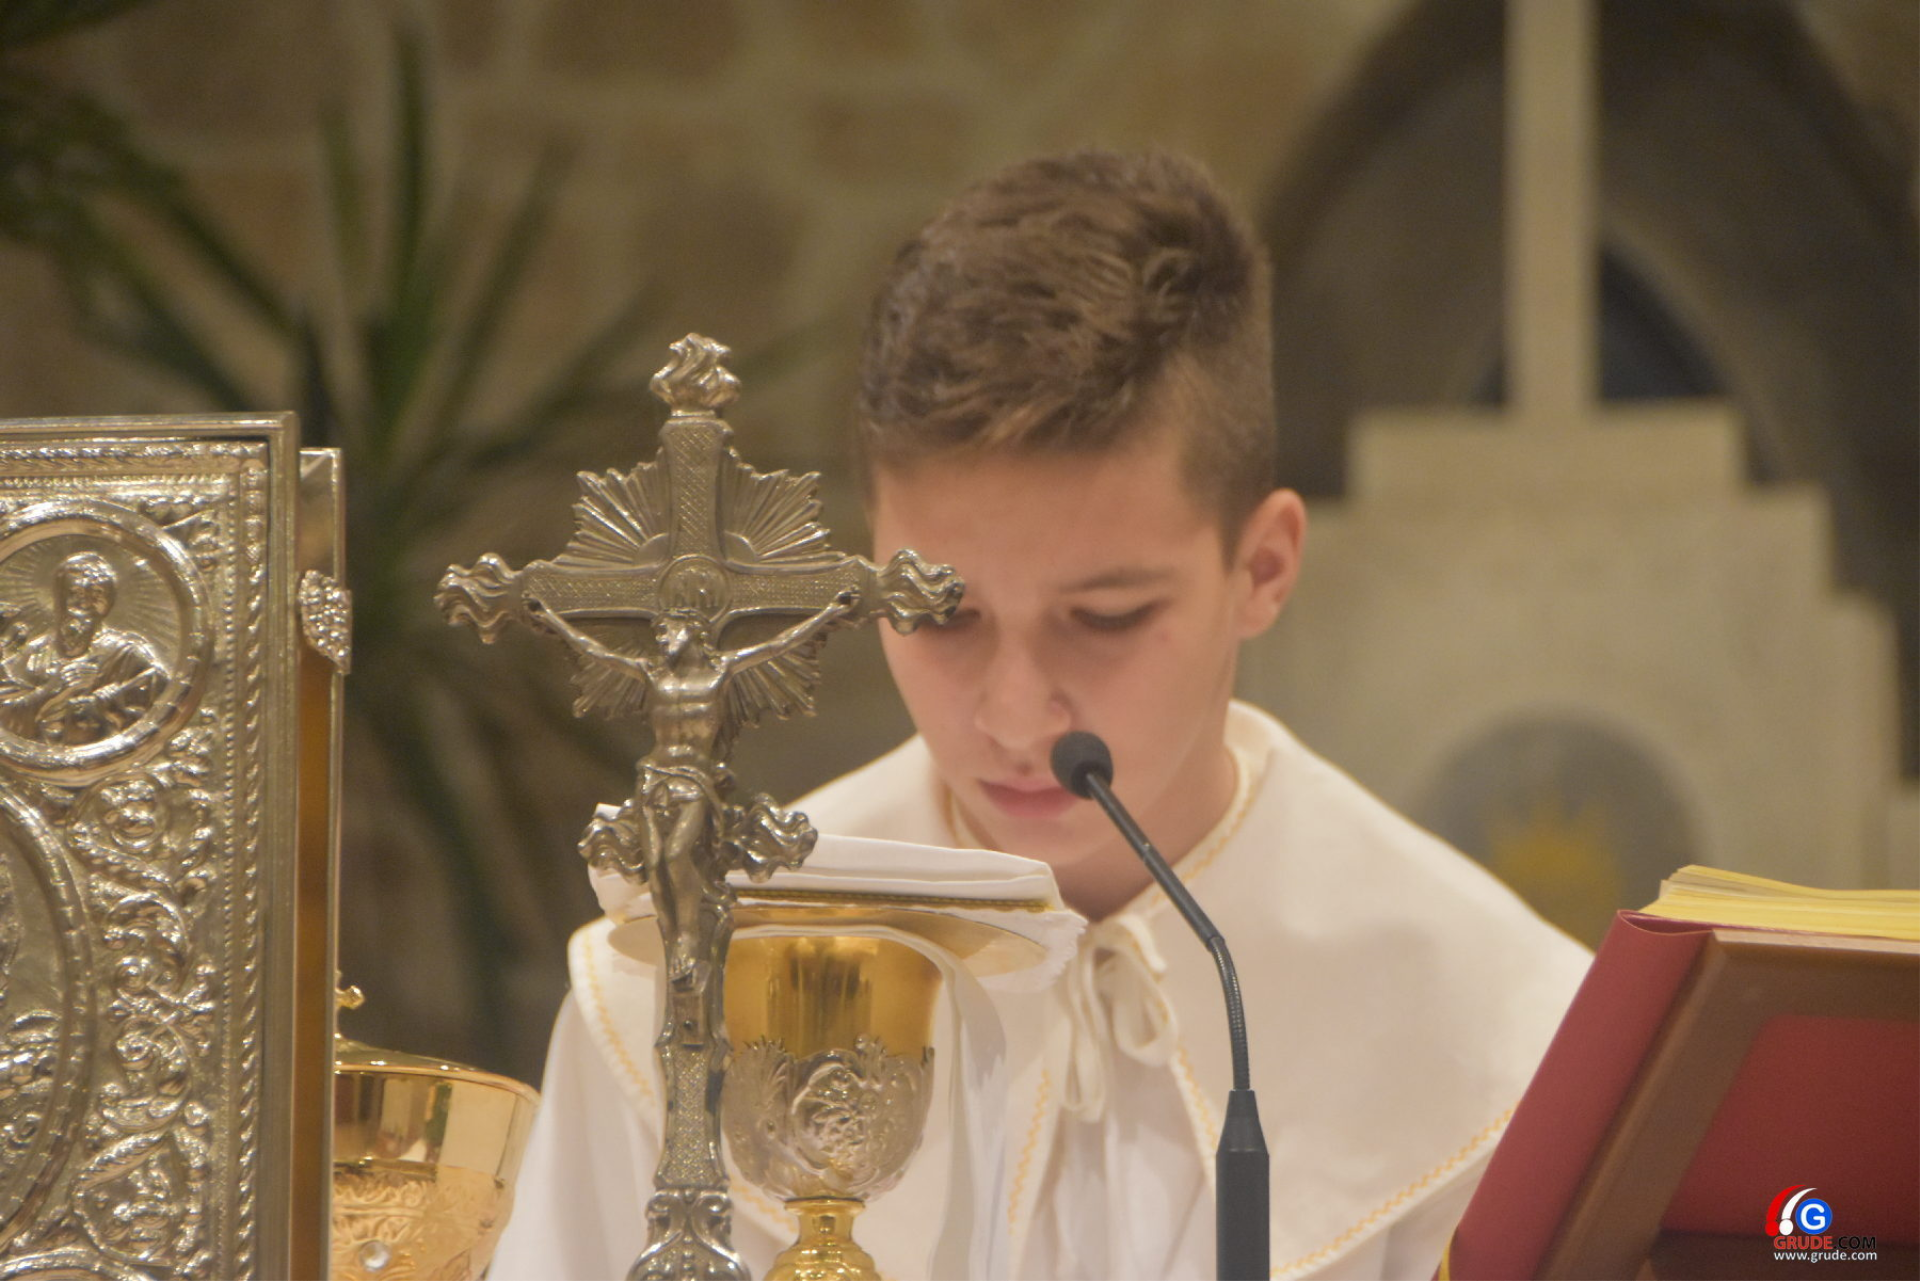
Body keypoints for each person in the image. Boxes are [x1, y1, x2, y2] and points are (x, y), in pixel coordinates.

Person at [490, 149, 1590, 1281]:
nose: (1016, 716)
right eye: (942, 614)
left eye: (1106, 617)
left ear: (1261, 568)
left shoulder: (1499, 1035)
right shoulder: (677, 988)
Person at [0, 551, 163, 746]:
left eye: (97, 594)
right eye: (76, 593)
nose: (85, 603)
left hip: (109, 758)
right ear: (60, 599)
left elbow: (159, 718)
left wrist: (112, 708)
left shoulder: (128, 654)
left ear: (109, 601)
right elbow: (7, 719)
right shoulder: (33, 653)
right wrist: (53, 688)